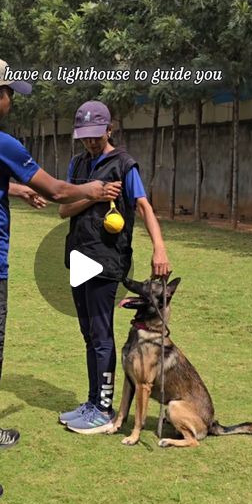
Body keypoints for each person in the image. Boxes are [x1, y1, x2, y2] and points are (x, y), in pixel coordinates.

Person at [0, 59, 121, 504]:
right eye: (10, 93)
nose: (12, 101)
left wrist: (11, 190)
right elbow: (56, 189)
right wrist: (93, 191)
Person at [58, 100, 171, 434]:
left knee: (101, 333)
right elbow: (64, 211)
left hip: (106, 260)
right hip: (78, 255)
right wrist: (93, 195)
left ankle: (105, 409)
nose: (91, 142)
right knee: (87, 333)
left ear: (110, 129)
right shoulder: (77, 163)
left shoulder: (124, 164)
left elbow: (144, 206)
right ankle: (93, 400)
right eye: (85, 137)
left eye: (97, 135)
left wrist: (159, 247)